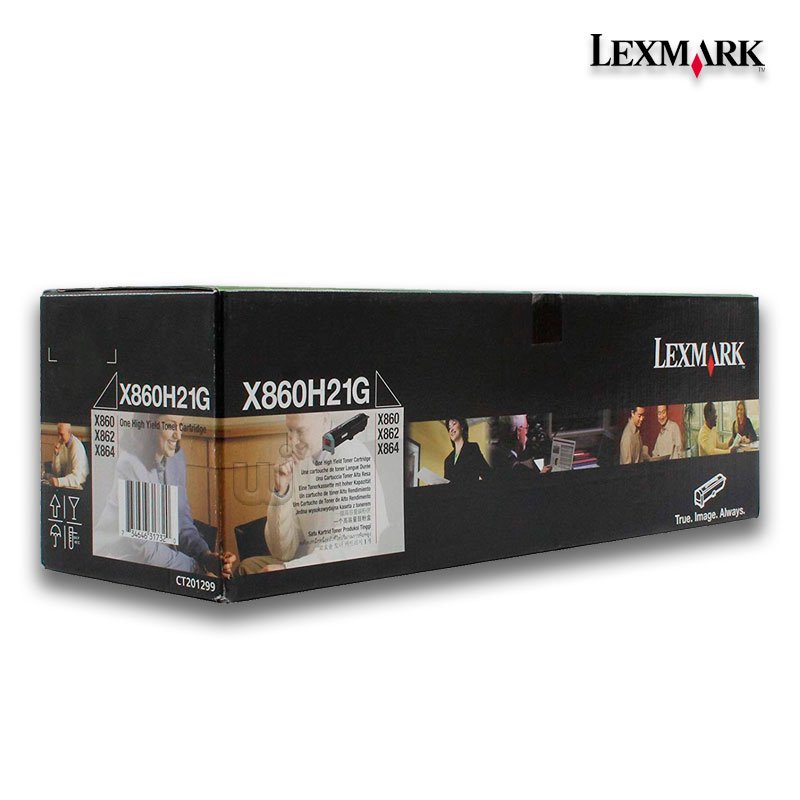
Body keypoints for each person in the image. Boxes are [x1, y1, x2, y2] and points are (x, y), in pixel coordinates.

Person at [239, 411, 390, 573]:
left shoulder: (351, 455)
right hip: (312, 560)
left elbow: (356, 548)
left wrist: (288, 568)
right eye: (290, 430)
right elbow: (282, 552)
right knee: (249, 566)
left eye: (301, 431)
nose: (292, 441)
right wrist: (281, 491)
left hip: (350, 566)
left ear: (325, 420)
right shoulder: (301, 459)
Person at [94, 414, 235, 577]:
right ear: (149, 426)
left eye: (180, 425)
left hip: (160, 561)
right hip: (118, 563)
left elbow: (181, 521)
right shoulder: (130, 464)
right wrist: (198, 570)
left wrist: (206, 556)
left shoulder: (176, 458)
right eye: (170, 425)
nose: (178, 435)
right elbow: (144, 549)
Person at [443, 418, 491, 482]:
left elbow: (487, 474)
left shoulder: (472, 448)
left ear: (462, 427)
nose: (451, 429)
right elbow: (446, 484)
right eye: (449, 427)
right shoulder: (447, 460)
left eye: (454, 424)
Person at [49, 422, 89, 488]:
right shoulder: (63, 444)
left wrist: (58, 482)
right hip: (68, 484)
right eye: (58, 434)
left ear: (69, 433)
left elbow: (76, 479)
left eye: (62, 434)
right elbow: (57, 474)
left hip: (79, 486)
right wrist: (56, 454)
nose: (59, 438)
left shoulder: (76, 446)